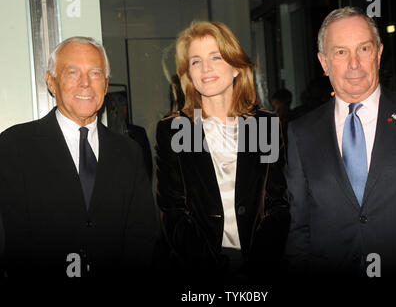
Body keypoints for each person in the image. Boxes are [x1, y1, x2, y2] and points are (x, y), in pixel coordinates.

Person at [285, 7, 396, 277]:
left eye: (363, 49)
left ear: (379, 53)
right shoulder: (301, 132)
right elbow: (298, 227)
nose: (354, 64)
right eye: (340, 52)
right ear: (324, 62)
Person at [0, 36, 155, 278]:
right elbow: (12, 238)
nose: (85, 83)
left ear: (105, 84)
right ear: (51, 82)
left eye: (95, 74)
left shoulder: (129, 152)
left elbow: (142, 235)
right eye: (72, 72)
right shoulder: (15, 145)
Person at [154, 21, 290, 283]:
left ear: (237, 66)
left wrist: (255, 269)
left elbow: (278, 206)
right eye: (195, 61)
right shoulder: (175, 130)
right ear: (188, 74)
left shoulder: (264, 125)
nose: (205, 68)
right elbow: (173, 212)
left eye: (215, 57)